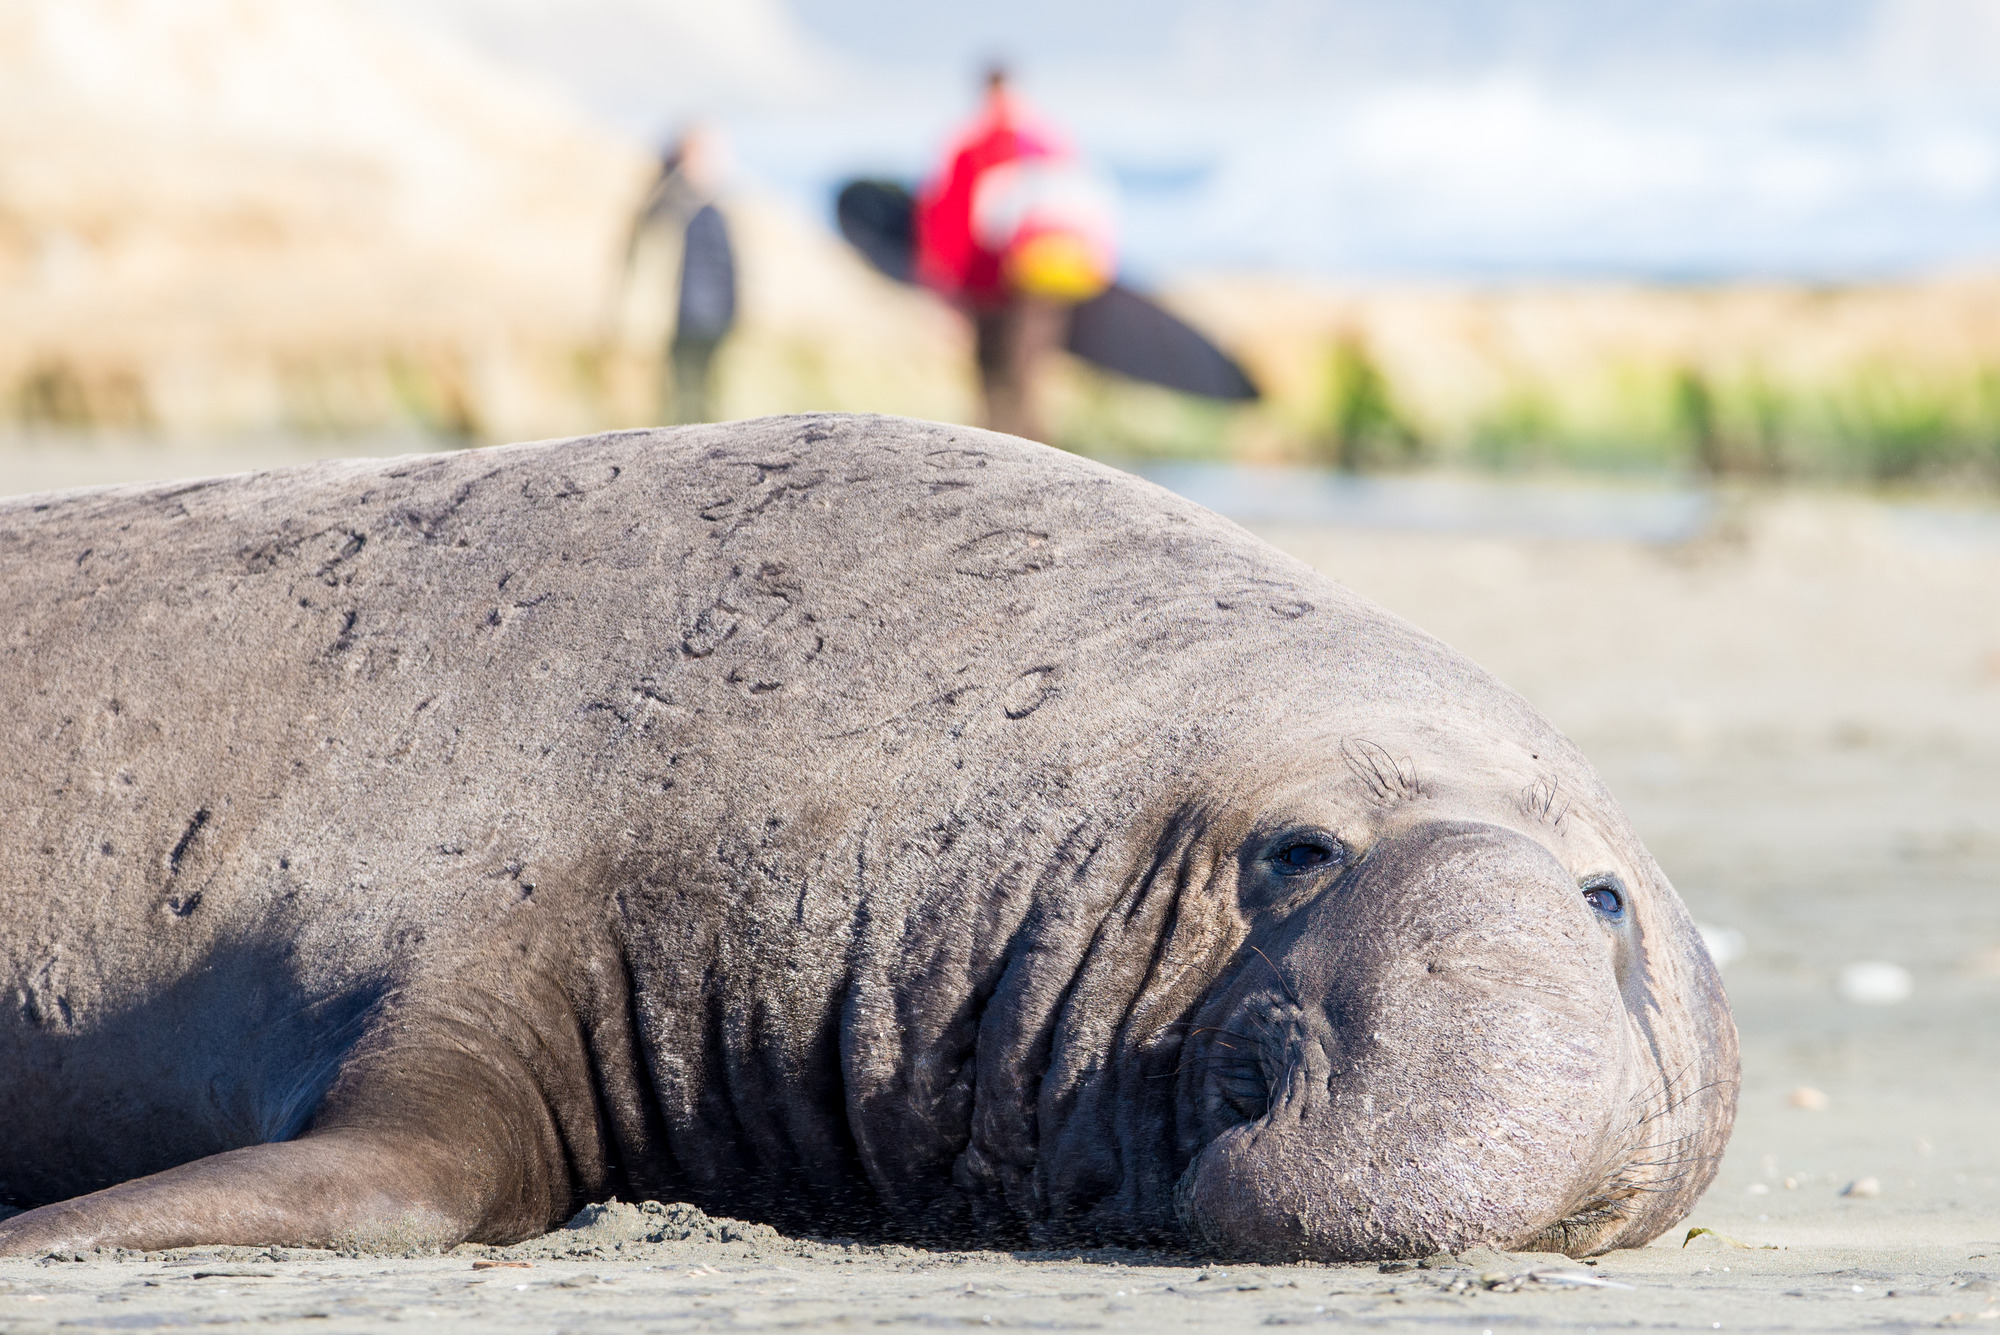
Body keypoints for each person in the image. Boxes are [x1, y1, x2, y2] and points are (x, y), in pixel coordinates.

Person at [914, 66, 1116, 442]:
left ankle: (1013, 465)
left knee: (1010, 378)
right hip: (1007, 283)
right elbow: (944, 220)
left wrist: (942, 284)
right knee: (1007, 376)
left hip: (1019, 283)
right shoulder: (1032, 142)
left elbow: (944, 219)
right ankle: (1011, 461)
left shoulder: (1005, 145)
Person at [626, 126, 738, 424]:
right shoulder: (670, 202)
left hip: (709, 323)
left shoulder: (709, 207)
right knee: (680, 396)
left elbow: (725, 271)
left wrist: (731, 316)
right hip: (679, 321)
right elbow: (648, 261)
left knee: (702, 394)